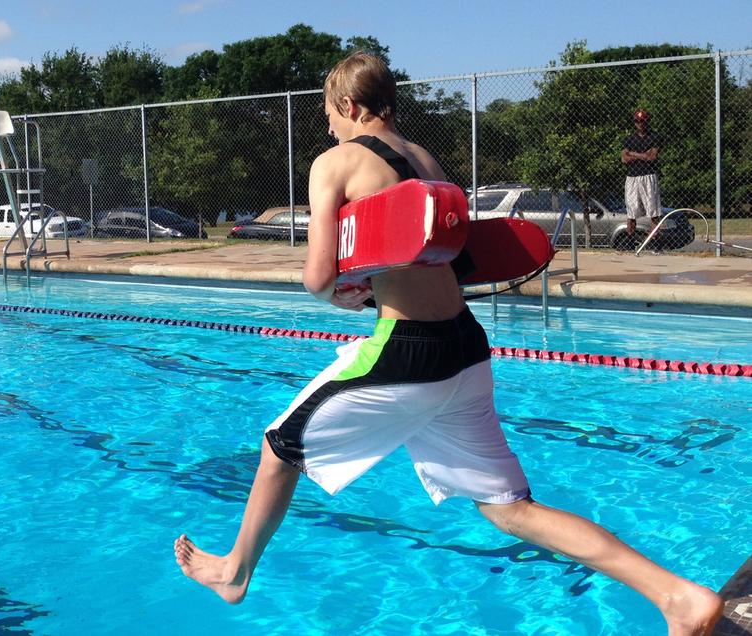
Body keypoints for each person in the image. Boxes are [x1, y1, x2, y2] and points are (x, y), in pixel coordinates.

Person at [174, 53, 722, 635]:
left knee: (280, 447)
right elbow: (442, 259)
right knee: (512, 510)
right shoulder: (426, 161)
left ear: (348, 106)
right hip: (465, 346)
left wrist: (343, 290)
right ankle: (675, 597)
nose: (328, 127)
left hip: (407, 351)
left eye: (329, 115)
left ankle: (234, 572)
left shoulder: (333, 163)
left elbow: (318, 277)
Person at [621, 109, 663, 237]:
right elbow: (624, 159)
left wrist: (632, 153)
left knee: (653, 211)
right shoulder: (629, 139)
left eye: (642, 121)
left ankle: (656, 241)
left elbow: (652, 157)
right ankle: (630, 240)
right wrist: (643, 155)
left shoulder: (654, 137)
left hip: (648, 176)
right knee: (631, 212)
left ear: (647, 121)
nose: (640, 124)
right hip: (632, 177)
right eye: (637, 121)